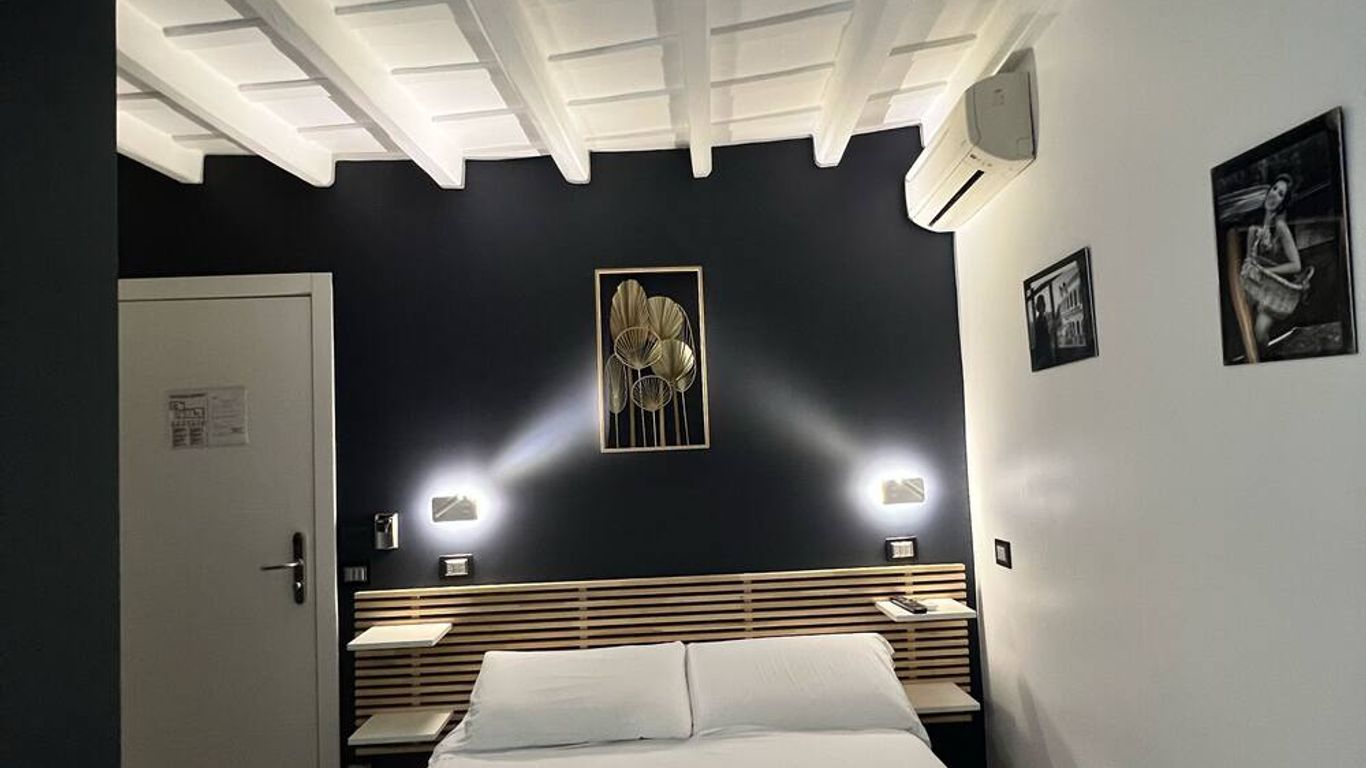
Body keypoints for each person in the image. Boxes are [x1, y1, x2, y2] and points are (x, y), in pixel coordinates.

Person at [1240, 173, 1313, 347]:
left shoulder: (1280, 227)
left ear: (1282, 203)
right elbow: (1249, 259)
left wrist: (1268, 271)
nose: (1274, 194)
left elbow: (1296, 265)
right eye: (1274, 189)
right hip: (1255, 284)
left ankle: (1266, 354)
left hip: (1275, 290)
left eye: (1281, 194)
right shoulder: (1254, 226)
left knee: (1259, 333)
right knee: (1244, 328)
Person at [1030, 294, 1054, 369]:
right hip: (1043, 353)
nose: (1043, 307)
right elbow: (1041, 339)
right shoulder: (1038, 321)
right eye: (1042, 305)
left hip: (1046, 351)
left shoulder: (1044, 319)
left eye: (1044, 304)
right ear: (1038, 307)